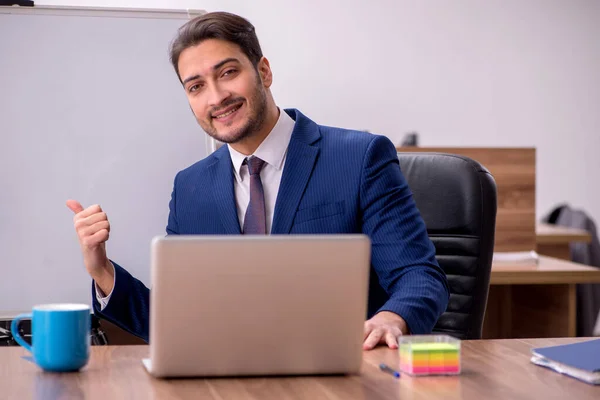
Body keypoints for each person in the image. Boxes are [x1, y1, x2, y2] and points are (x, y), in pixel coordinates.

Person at [66, 12, 449, 350]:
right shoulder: (190, 188)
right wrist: (102, 270)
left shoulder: (360, 157)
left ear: (263, 71)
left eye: (228, 72)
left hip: (343, 374)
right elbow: (174, 321)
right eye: (196, 86)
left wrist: (391, 318)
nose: (217, 97)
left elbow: (418, 276)